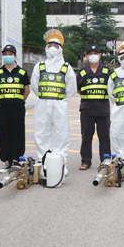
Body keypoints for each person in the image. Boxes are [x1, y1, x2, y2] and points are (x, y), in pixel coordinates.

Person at [30, 29, 77, 177]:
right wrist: (44, 97)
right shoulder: (39, 66)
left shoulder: (66, 67)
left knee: (61, 133)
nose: (52, 48)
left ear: (60, 49)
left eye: (56, 46)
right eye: (50, 44)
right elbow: (34, 85)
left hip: (59, 104)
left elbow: (72, 87)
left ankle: (61, 163)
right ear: (46, 47)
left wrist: (62, 99)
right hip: (42, 103)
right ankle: (44, 162)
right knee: (41, 133)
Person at [0, 44, 30, 173]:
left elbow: (27, 90)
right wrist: (3, 100)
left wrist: (18, 100)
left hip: (18, 107)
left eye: (10, 54)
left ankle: (16, 159)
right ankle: (6, 160)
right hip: (2, 107)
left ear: (15, 56)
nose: (8, 57)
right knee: (3, 132)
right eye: (6, 54)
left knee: (17, 132)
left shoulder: (22, 72)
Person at [76, 45, 112, 171]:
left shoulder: (108, 72)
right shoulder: (82, 72)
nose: (93, 56)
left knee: (105, 136)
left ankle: (105, 160)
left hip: (103, 109)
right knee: (86, 136)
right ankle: (86, 161)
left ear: (100, 55)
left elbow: (112, 88)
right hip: (87, 109)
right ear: (86, 56)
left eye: (95, 53)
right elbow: (79, 90)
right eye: (90, 53)